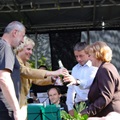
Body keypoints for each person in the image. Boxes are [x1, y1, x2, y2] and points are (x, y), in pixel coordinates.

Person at [14, 36, 66, 119]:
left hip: (22, 104)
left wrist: (52, 78)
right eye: (28, 49)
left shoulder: (27, 64)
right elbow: (27, 72)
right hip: (13, 103)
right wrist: (52, 72)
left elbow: (36, 79)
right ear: (20, 48)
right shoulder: (14, 61)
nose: (31, 52)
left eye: (31, 50)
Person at [65, 41, 120, 117]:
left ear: (97, 55)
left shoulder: (104, 69)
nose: (89, 58)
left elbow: (105, 97)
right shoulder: (106, 67)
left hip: (109, 112)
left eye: (90, 55)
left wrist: (87, 111)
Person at [64, 42, 98, 116]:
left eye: (81, 56)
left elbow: (90, 82)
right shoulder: (75, 69)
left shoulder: (94, 66)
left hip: (93, 104)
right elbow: (71, 89)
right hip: (78, 104)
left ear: (88, 54)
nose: (78, 59)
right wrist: (70, 107)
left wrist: (77, 82)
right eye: (76, 56)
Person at [0, 21, 26, 120]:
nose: (23, 40)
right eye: (22, 36)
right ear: (15, 33)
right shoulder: (5, 47)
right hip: (4, 108)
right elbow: (3, 78)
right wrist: (16, 110)